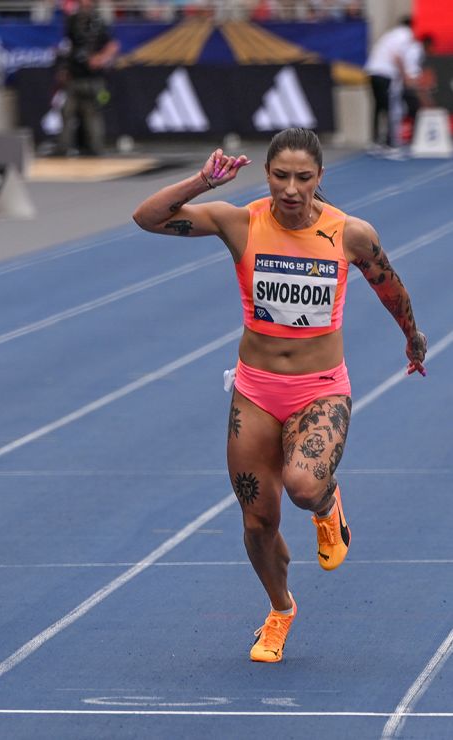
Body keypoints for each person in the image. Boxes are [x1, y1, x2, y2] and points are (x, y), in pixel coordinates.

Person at [132, 128, 427, 663]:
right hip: (256, 392)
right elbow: (146, 218)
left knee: (302, 483)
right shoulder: (240, 222)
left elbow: (390, 284)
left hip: (320, 389)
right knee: (257, 523)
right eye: (280, 176)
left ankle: (327, 502)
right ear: (266, 174)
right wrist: (203, 180)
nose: (291, 189)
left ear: (320, 178)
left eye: (303, 178)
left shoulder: (349, 234)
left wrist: (412, 336)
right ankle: (280, 610)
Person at [55, 0, 119, 156]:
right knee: (66, 111)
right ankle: (63, 148)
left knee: (92, 114)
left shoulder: (99, 22)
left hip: (93, 80)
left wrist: (100, 58)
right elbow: (67, 47)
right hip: (74, 77)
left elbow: (113, 45)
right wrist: (64, 69)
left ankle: (96, 148)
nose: (85, 4)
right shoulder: (72, 21)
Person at [364, 16, 417, 151]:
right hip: (384, 73)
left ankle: (376, 139)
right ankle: (389, 140)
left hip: (373, 71)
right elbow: (397, 56)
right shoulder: (406, 34)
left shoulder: (390, 35)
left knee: (378, 106)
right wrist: (405, 75)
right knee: (389, 107)